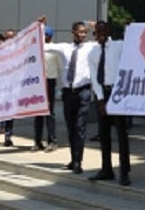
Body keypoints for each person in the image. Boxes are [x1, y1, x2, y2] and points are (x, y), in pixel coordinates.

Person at [88, 20, 131, 186]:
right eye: (98, 33)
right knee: (104, 134)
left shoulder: (118, 46)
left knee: (121, 134)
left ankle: (125, 172)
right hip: (103, 94)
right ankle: (106, 169)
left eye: (104, 31)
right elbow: (94, 77)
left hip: (118, 92)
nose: (101, 35)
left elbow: (133, 44)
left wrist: (129, 28)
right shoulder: (93, 52)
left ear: (109, 31)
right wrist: (99, 99)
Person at [51, 21, 95, 174]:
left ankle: (78, 161)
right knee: (70, 127)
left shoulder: (90, 47)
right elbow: (45, 46)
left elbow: (107, 42)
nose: (82, 34)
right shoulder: (65, 48)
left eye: (84, 32)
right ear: (73, 32)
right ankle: (73, 158)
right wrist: (40, 28)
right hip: (68, 93)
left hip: (83, 92)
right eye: (79, 32)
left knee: (80, 127)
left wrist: (95, 27)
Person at [34, 24, 61, 153]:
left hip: (50, 81)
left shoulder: (54, 49)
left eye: (45, 35)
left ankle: (52, 141)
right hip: (38, 82)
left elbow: (60, 66)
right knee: (38, 112)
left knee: (49, 112)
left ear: (49, 36)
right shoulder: (36, 48)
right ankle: (37, 141)